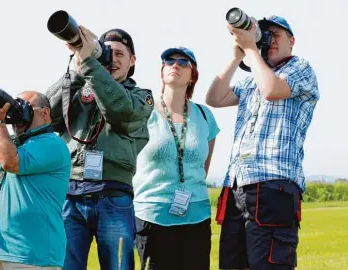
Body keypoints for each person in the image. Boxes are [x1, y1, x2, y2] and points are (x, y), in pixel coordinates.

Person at [206, 15, 320, 270]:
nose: (270, 41)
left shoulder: (300, 68)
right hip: (237, 186)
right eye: (265, 36)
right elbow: (214, 97)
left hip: (273, 185)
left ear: (292, 41)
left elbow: (271, 90)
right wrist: (237, 55)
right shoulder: (253, 78)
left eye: (276, 35)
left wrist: (250, 49)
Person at [46, 26, 154, 270]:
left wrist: (90, 67)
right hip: (70, 193)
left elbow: (122, 112)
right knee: (64, 266)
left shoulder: (142, 97)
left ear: (132, 60)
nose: (112, 60)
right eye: (107, 53)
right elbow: (44, 117)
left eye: (119, 54)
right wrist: (76, 67)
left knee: (118, 266)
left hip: (113, 194)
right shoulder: (77, 87)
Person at [133, 47, 220, 270]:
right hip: (153, 216)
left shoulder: (204, 115)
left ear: (193, 76)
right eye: (169, 61)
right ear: (162, 72)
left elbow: (203, 167)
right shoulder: (144, 112)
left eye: (183, 63)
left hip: (197, 217)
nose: (175, 65)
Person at [0, 91, 71, 270]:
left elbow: (10, 162)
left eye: (25, 109)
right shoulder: (9, 142)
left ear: (45, 113)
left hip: (32, 252)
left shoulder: (52, 144)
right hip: (2, 248)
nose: (18, 115)